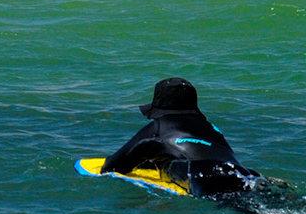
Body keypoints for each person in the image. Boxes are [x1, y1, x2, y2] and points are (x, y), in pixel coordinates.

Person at [100, 78, 259, 200]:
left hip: (204, 177)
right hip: (244, 173)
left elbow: (113, 165)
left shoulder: (159, 127)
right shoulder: (212, 128)